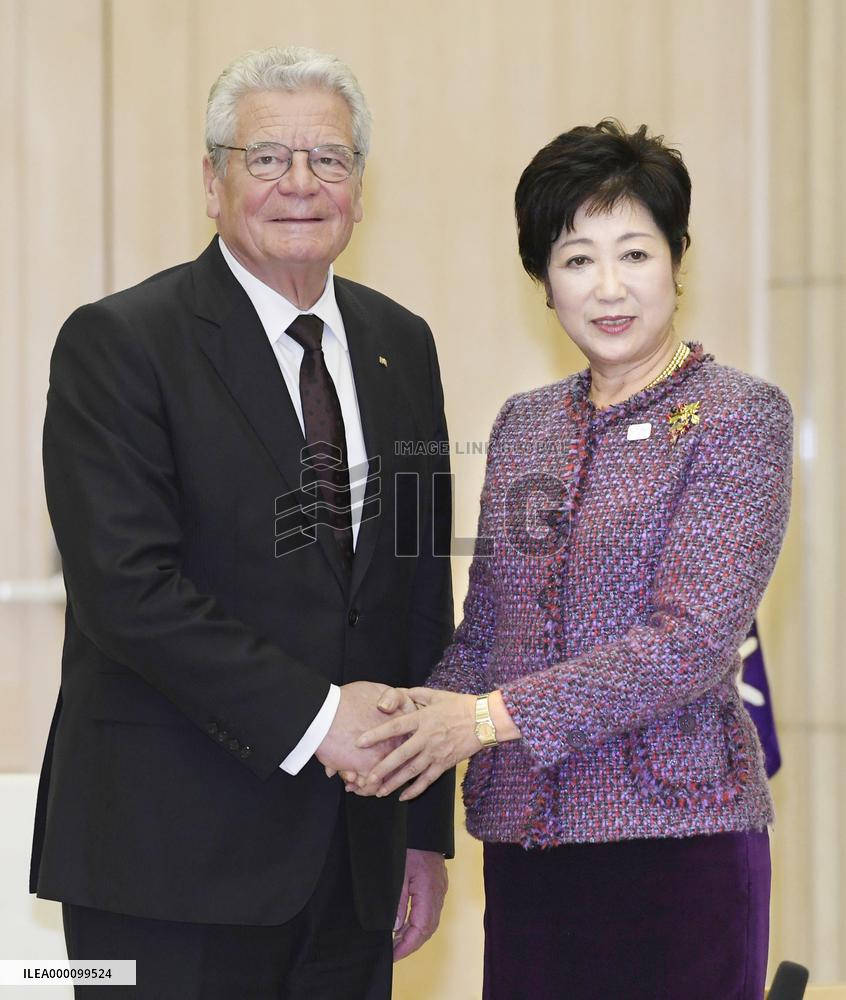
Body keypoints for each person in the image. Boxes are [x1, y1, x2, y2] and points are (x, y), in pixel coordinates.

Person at [30, 46, 454, 999]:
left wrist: (422, 831)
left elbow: (420, 591)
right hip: (164, 866)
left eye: (329, 158)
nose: (300, 183)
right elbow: (127, 592)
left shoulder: (402, 344)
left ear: (360, 186)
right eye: (266, 158)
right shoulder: (120, 343)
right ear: (212, 181)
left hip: (355, 866)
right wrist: (320, 718)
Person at [349, 120, 793, 999]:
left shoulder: (737, 417)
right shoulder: (526, 425)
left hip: (679, 845)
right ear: (544, 283)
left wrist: (480, 721)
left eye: (636, 254)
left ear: (678, 260)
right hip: (527, 844)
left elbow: (689, 643)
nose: (609, 287)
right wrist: (403, 725)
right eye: (577, 259)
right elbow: (488, 635)